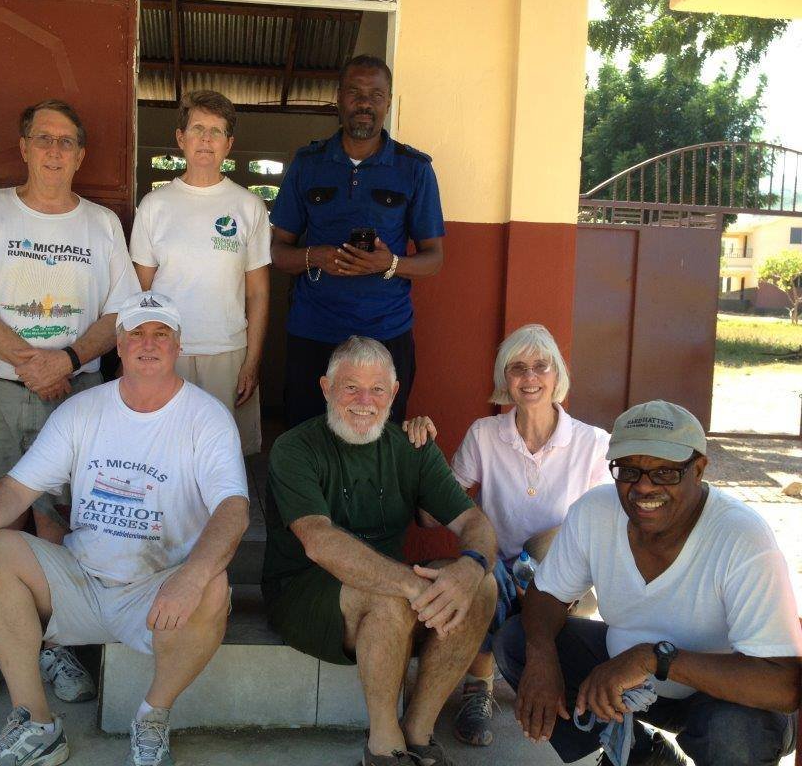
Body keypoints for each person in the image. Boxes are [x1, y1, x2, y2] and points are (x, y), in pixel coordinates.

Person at [0, 290, 249, 766]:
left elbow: (233, 509)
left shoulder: (206, 418)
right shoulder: (84, 410)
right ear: (119, 342)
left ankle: (153, 716)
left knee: (212, 582)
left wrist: (190, 577)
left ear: (178, 346)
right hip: (80, 578)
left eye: (161, 333)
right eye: (136, 333)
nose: (148, 343)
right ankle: (37, 725)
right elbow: (16, 488)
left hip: (157, 588)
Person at [0, 98, 140, 708]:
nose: (55, 151)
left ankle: (53, 645)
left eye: (66, 142)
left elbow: (122, 312)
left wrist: (71, 360)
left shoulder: (101, 223)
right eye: (43, 139)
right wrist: (36, 363)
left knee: (60, 519)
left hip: (77, 395)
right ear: (24, 146)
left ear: (81, 155)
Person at [494, 400, 802, 766]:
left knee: (736, 733)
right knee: (517, 642)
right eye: (629, 470)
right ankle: (641, 753)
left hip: (723, 695)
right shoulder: (595, 512)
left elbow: (783, 685)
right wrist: (541, 655)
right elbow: (547, 594)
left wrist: (652, 659)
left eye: (665, 473)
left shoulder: (742, 538)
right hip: (631, 683)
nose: (643, 487)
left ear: (699, 469)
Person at [262, 336, 498, 766]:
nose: (364, 401)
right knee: (389, 597)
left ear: (394, 393)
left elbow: (473, 523)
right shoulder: (295, 447)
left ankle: (419, 732)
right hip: (302, 592)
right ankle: (384, 747)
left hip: (396, 594)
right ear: (325, 388)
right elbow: (318, 540)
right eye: (350, 386)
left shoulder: (412, 448)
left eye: (377, 389)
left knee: (482, 587)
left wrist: (472, 566)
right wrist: (413, 586)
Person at [405, 324, 611, 747]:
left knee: (546, 547)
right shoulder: (485, 434)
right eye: (518, 368)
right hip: (497, 573)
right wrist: (422, 455)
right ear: (505, 379)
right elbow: (430, 518)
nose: (530, 377)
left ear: (557, 376)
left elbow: (604, 531)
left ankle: (539, 676)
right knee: (483, 575)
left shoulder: (592, 443)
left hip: (562, 580)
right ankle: (478, 688)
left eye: (541, 366)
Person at [270, 55, 445, 429]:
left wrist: (390, 264)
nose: (364, 103)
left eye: (375, 95)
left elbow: (434, 260)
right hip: (313, 331)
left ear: (388, 102)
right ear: (339, 99)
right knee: (306, 438)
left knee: (378, 444)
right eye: (355, 93)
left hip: (385, 332)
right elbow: (276, 253)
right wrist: (314, 256)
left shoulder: (414, 169)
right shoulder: (307, 163)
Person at [130, 90, 270, 455]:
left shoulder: (249, 206)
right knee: (164, 451)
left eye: (216, 131)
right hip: (165, 350)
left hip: (227, 352)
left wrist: (251, 361)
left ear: (229, 144)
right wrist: (135, 356)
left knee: (220, 456)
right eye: (197, 129)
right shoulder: (154, 206)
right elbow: (140, 292)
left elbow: (257, 293)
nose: (206, 139)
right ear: (181, 138)